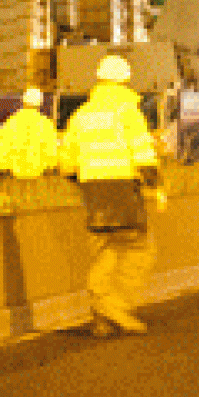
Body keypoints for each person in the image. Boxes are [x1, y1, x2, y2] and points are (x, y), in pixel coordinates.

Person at [60, 54, 163, 338]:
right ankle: (115, 307)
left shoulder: (83, 114)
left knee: (103, 250)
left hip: (92, 189)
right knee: (138, 249)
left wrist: (84, 182)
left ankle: (100, 314)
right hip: (121, 188)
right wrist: (156, 185)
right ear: (125, 80)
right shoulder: (128, 111)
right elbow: (143, 153)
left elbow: (66, 161)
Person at [0, 87, 60, 180]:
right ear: (40, 104)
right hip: (38, 175)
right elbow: (51, 154)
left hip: (15, 177)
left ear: (23, 101)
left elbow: (2, 150)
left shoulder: (12, 122)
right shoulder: (45, 124)